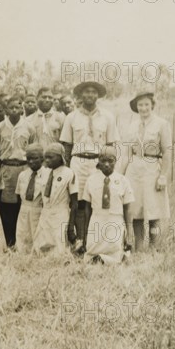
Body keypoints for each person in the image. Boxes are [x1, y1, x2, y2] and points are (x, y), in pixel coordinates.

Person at [60, 81, 118, 250]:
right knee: (79, 202)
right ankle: (80, 240)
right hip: (78, 162)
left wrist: (110, 167)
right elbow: (67, 145)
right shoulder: (72, 117)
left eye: (94, 92)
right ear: (80, 95)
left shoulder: (108, 117)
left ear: (98, 95)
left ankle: (96, 240)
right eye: (86, 92)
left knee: (97, 201)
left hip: (99, 163)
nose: (90, 95)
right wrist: (68, 168)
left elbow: (111, 145)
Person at [122, 92, 172, 252]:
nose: (143, 108)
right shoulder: (132, 125)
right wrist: (121, 176)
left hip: (152, 168)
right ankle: (138, 248)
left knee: (153, 210)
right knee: (135, 211)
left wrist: (163, 175)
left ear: (152, 105)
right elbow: (127, 152)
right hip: (134, 170)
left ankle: (154, 247)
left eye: (146, 104)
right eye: (140, 105)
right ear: (136, 107)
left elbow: (167, 152)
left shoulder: (162, 124)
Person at [82, 147, 134, 264]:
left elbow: (128, 209)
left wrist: (129, 233)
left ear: (116, 161)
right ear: (98, 161)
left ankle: (112, 259)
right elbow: (87, 209)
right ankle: (96, 257)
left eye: (110, 161)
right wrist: (86, 232)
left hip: (115, 221)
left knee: (115, 251)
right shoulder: (91, 180)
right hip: (97, 221)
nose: (106, 164)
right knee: (91, 253)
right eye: (103, 160)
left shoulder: (123, 181)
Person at [0, 96, 31, 247]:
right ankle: (9, 239)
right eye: (11, 107)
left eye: (17, 107)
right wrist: (0, 165)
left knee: (22, 204)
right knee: (7, 204)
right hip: (7, 168)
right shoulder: (0, 127)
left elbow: (33, 149)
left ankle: (21, 239)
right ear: (6, 110)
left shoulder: (29, 127)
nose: (14, 110)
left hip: (23, 167)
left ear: (22, 109)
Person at [33, 143, 78, 258]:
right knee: (41, 244)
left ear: (60, 157)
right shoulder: (44, 173)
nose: (47, 161)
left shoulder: (69, 173)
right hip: (46, 213)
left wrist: (71, 225)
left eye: (51, 157)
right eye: (45, 157)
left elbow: (74, 203)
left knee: (59, 246)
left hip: (60, 213)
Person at [15, 144, 49, 255]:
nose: (31, 161)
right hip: (24, 209)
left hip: (39, 209)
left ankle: (38, 254)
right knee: (23, 233)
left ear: (42, 158)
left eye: (35, 158)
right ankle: (22, 254)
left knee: (37, 233)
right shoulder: (23, 175)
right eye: (29, 158)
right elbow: (18, 194)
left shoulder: (48, 175)